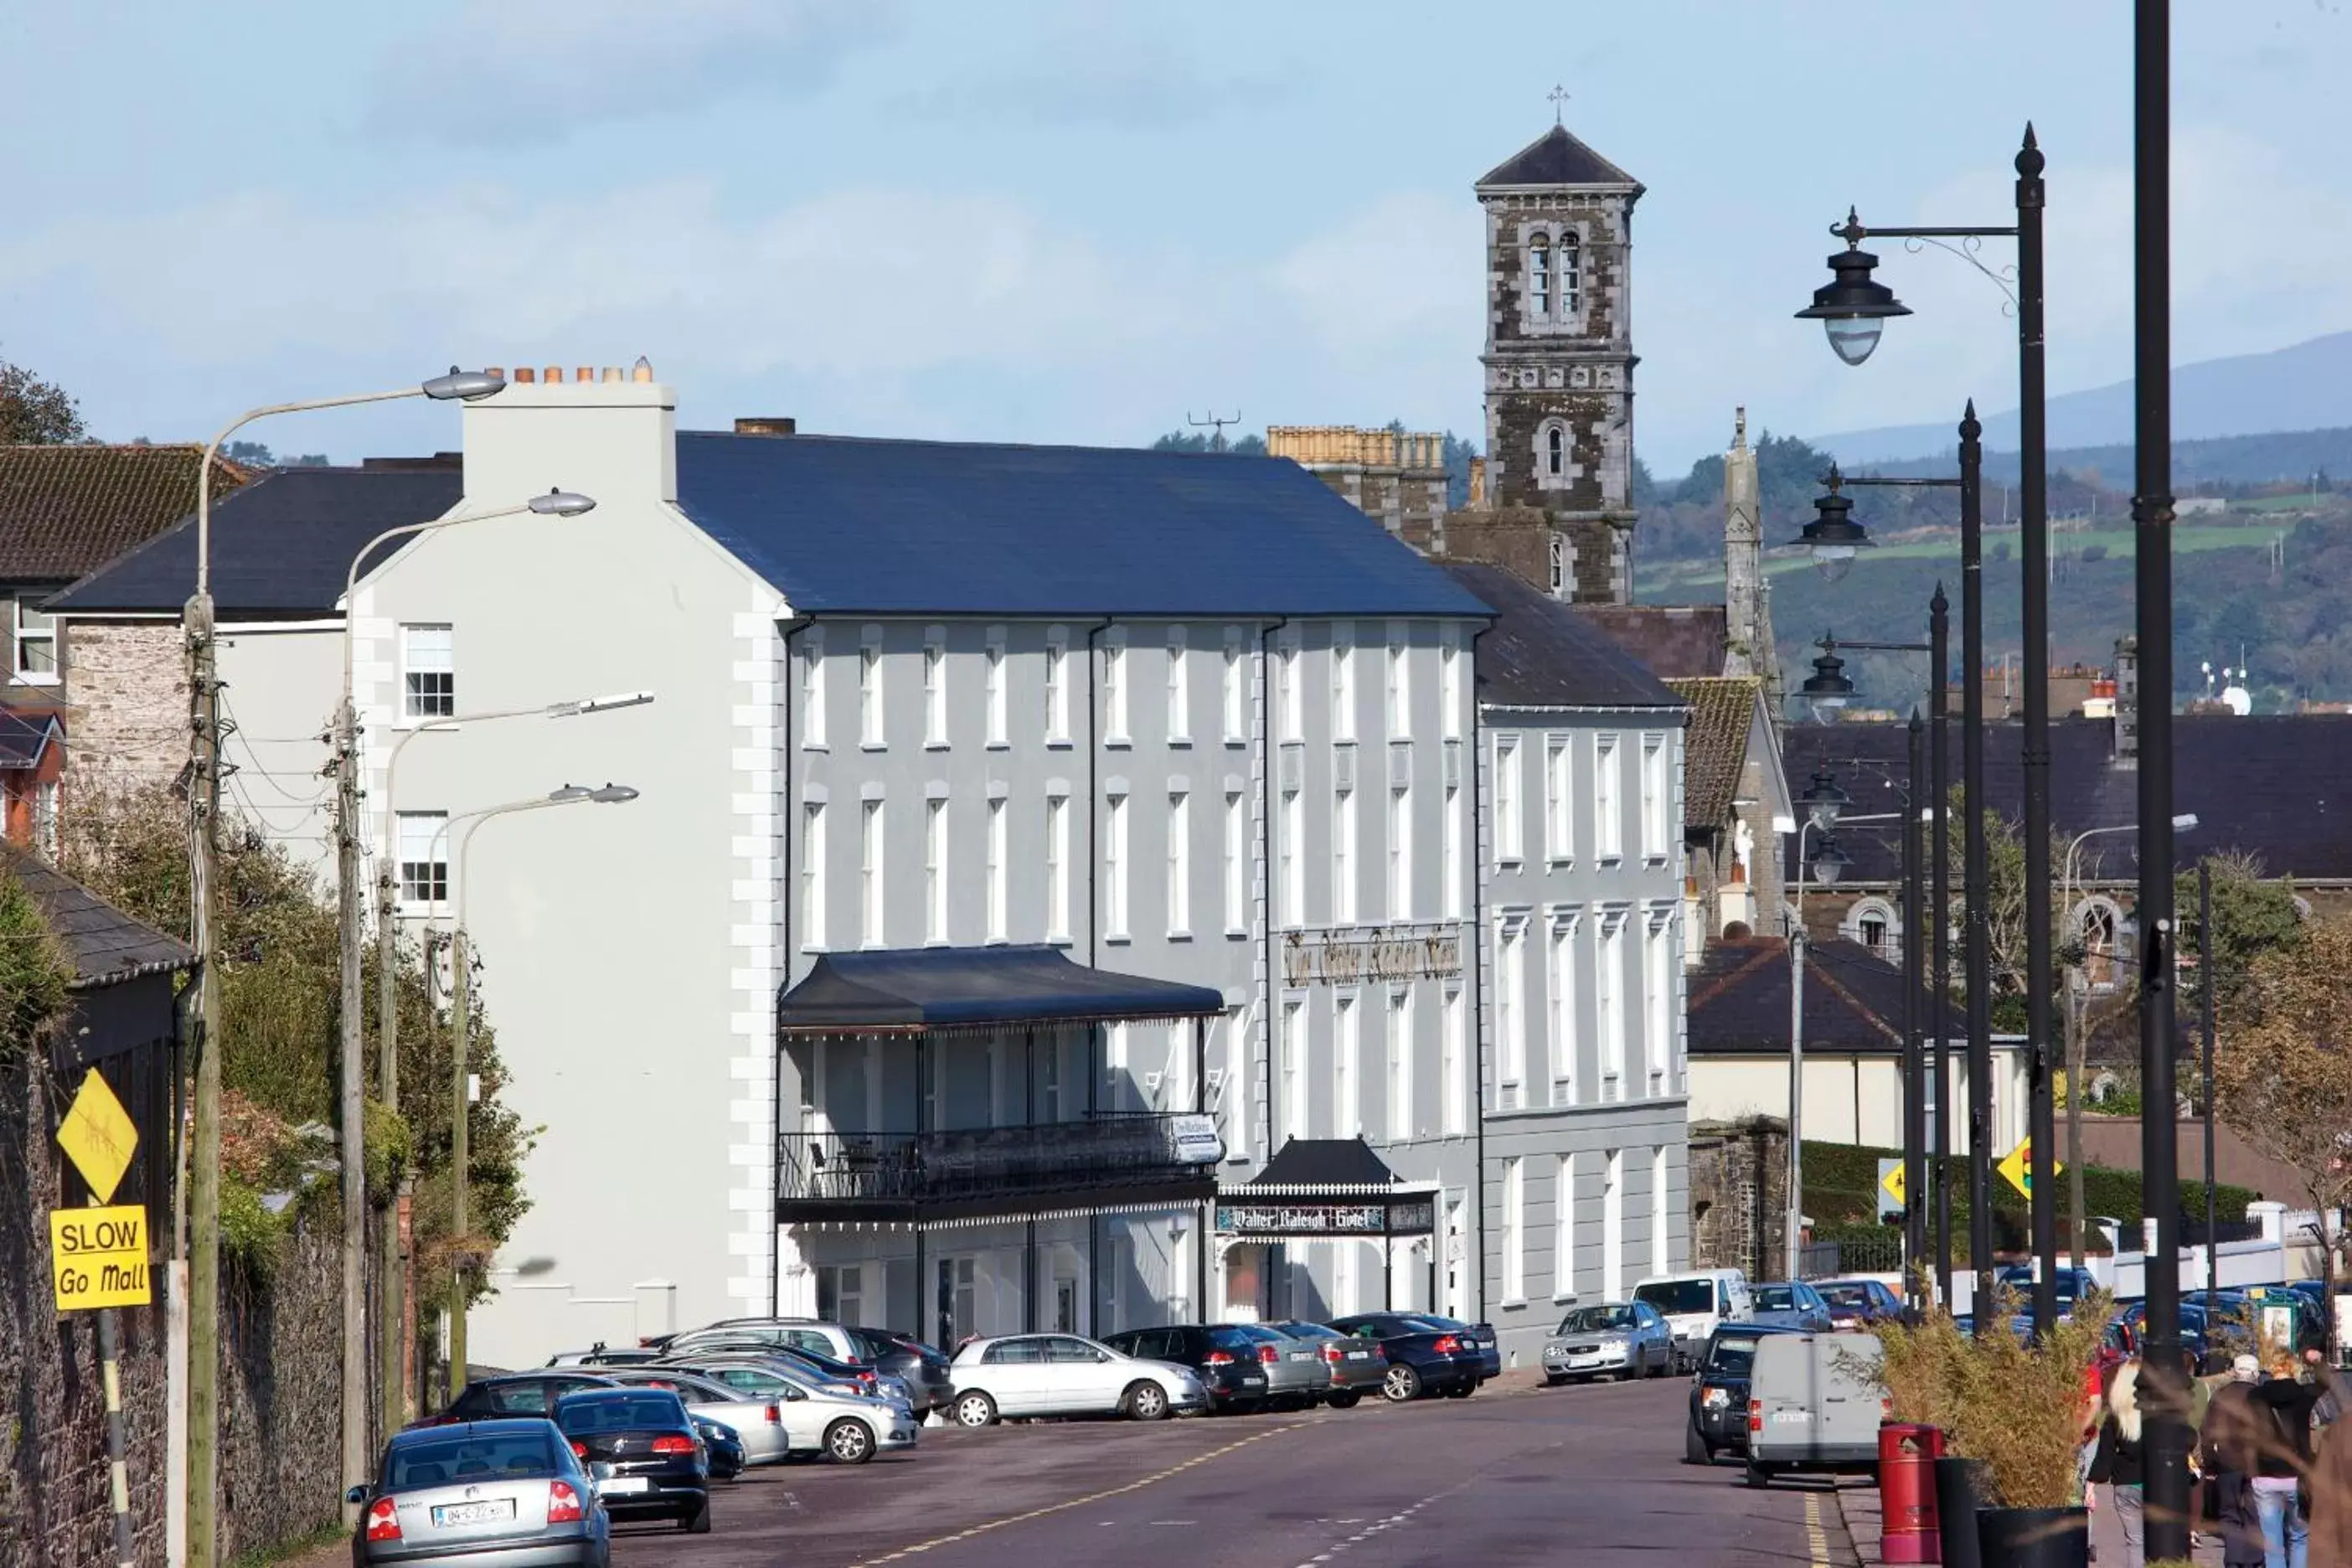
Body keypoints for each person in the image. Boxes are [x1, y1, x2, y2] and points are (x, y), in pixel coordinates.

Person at [2250, 1349, 2333, 1568]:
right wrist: (2318, 1361)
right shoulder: (2304, 1395)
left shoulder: (2255, 1396)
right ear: (2294, 1367)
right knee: (2299, 1537)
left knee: (2272, 1542)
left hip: (2265, 1473)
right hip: (2298, 1475)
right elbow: (2326, 1382)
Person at [2202, 1353, 2270, 1568]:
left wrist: (2210, 1463)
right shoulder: (2262, 1397)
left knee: (2229, 1514)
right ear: (2255, 1373)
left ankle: (2233, 1559)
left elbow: (2207, 1432)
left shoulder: (2221, 1395)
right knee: (2254, 1514)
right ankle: (2253, 1560)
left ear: (2235, 1371)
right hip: (2255, 1465)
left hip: (2226, 1462)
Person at [2091, 1355, 2148, 1568]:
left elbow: (2105, 1454)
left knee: (2135, 1542)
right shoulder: (2156, 1411)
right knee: (2160, 1541)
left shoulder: (2116, 1414)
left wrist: (2091, 1484)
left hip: (2126, 1482)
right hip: (2156, 1482)